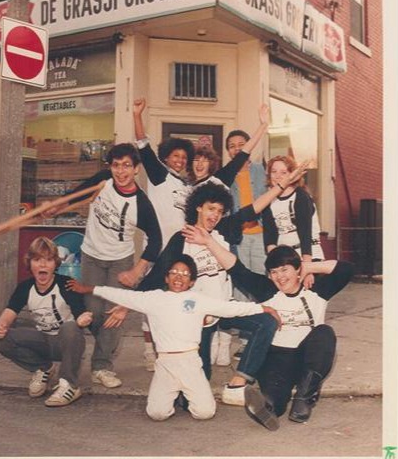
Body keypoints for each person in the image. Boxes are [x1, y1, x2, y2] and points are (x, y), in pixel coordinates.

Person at [137, 165, 306, 391]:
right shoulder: (182, 238)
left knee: (266, 322)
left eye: (219, 211)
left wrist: (283, 184)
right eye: (211, 209)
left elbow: (254, 208)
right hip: (198, 317)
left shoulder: (223, 230)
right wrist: (124, 304)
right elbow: (157, 277)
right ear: (198, 207)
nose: (215, 215)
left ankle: (239, 381)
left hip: (225, 308)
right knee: (197, 385)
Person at [67, 255, 280, 423]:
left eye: (185, 274)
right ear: (167, 277)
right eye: (174, 272)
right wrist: (88, 288)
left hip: (190, 362)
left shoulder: (197, 299)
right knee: (157, 413)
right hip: (165, 364)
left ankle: (186, 394)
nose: (179, 277)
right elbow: (122, 295)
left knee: (205, 412)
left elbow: (230, 307)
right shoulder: (153, 299)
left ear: (191, 282)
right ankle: (173, 394)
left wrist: (262, 307)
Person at [183, 226, 354, 428]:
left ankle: (303, 399)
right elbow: (237, 269)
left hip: (307, 358)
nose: (280, 277)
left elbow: (347, 269)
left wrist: (308, 267)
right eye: (274, 272)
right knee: (274, 402)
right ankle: (267, 407)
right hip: (276, 359)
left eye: (285, 270)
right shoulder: (266, 290)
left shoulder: (317, 290)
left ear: (297, 269)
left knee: (324, 333)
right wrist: (209, 242)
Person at [46, 143, 162, 388]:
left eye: (127, 166)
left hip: (120, 261)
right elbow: (77, 194)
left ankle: (102, 365)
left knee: (113, 316)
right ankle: (105, 347)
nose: (121, 172)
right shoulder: (104, 180)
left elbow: (157, 240)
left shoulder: (141, 203)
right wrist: (58, 206)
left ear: (137, 169)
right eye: (116, 165)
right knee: (94, 312)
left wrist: (136, 271)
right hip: (91, 256)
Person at [190, 104, 269, 366]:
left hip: (225, 239)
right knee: (209, 292)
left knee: (236, 286)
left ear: (212, 163)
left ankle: (228, 340)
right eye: (196, 160)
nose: (200, 165)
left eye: (204, 160)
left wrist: (263, 125)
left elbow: (244, 157)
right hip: (198, 244)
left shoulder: (220, 179)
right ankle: (210, 340)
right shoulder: (183, 187)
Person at [0, 237, 93, 407]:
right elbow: (10, 311)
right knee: (2, 339)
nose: (43, 265)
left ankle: (69, 385)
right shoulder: (25, 287)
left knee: (70, 327)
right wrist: (2, 323)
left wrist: (84, 317)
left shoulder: (65, 284)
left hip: (66, 344)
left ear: (55, 263)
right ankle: (43, 368)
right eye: (37, 260)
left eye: (48, 260)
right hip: (42, 341)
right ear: (29, 263)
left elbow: (79, 311)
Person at [225, 124, 269, 360]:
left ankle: (263, 333)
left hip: (261, 236)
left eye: (241, 145)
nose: (237, 149)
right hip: (240, 239)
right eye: (232, 147)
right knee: (242, 286)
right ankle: (244, 338)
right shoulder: (227, 175)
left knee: (260, 284)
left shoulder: (262, 171)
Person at [133, 97, 195, 248]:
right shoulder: (159, 175)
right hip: (158, 246)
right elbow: (143, 146)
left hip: (181, 246)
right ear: (166, 157)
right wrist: (137, 115)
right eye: (176, 156)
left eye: (184, 157)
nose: (180, 160)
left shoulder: (187, 185)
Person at [262, 155, 324, 264]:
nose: (277, 176)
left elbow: (305, 234)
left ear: (292, 175)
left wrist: (307, 267)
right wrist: (273, 262)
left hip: (307, 256)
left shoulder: (301, 196)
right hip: (285, 258)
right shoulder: (268, 199)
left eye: (283, 172)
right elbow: (270, 236)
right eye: (274, 171)